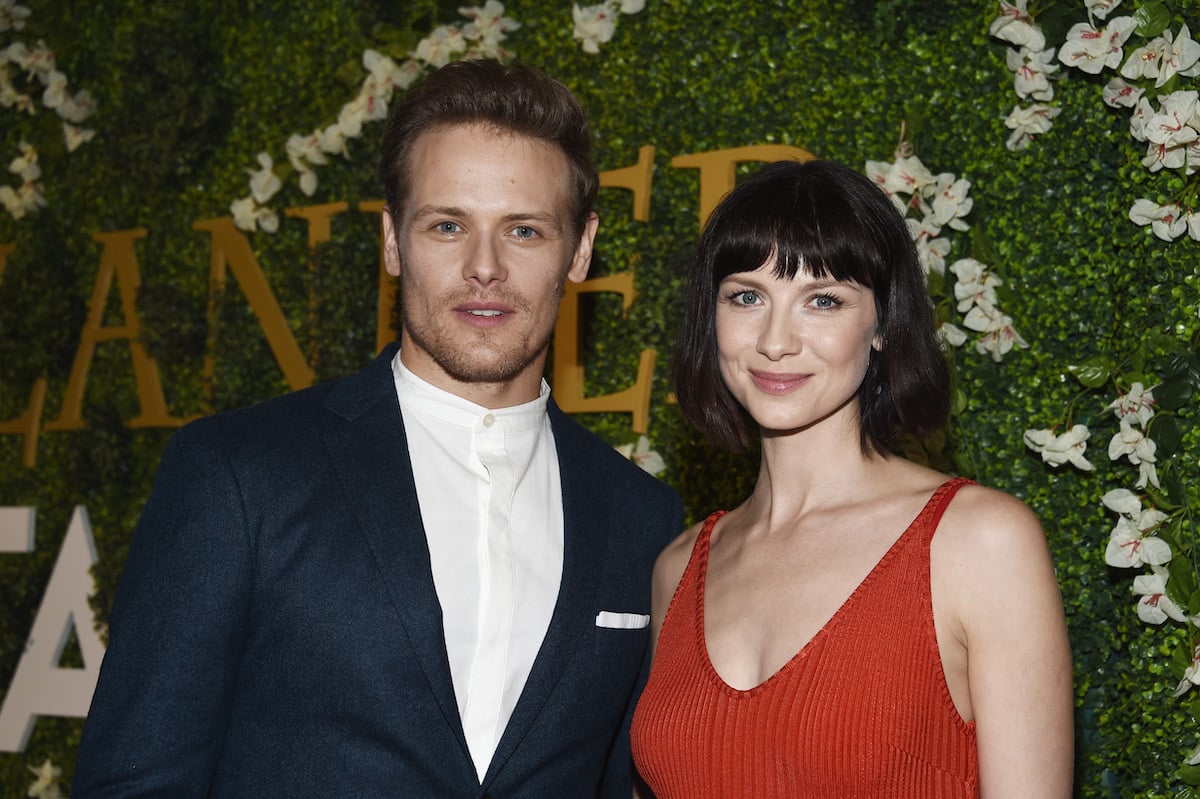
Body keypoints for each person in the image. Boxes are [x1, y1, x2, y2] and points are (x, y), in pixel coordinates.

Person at [73, 59, 683, 798]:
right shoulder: (237, 473)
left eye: (523, 230)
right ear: (394, 240)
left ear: (579, 249)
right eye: (448, 224)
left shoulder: (642, 518)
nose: (483, 267)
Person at [630, 159, 1073, 798]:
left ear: (884, 326)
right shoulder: (677, 567)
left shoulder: (979, 542)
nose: (775, 341)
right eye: (747, 296)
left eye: (823, 301)